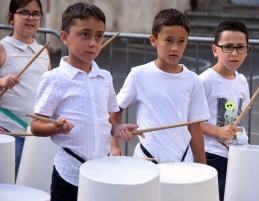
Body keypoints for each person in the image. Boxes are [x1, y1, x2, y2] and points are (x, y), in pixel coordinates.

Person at [30, 3, 142, 201]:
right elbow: (36, 125)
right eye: (85, 34)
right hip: (69, 173)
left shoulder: (105, 77)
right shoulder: (54, 79)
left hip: (102, 170)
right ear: (65, 37)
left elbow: (107, 122)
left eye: (99, 36)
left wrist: (118, 128)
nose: (93, 43)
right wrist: (57, 128)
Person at [111, 8, 210, 164]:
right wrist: (114, 145)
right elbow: (116, 108)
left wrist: (203, 166)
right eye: (169, 40)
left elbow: (194, 127)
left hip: (183, 160)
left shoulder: (193, 80)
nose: (175, 48)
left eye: (181, 41)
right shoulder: (139, 75)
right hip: (147, 158)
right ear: (153, 40)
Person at [199, 20, 250, 201]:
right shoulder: (204, 81)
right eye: (227, 47)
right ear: (215, 50)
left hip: (238, 153)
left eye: (240, 47)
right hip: (213, 155)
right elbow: (189, 121)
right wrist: (218, 131)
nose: (234, 53)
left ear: (247, 50)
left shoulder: (242, 80)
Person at [0, 0, 51, 177]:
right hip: (9, 131)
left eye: (36, 14)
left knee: (32, 187)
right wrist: (1, 81)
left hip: (37, 135)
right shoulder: (2, 47)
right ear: (11, 18)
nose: (30, 18)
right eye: (24, 12)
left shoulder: (43, 51)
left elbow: (50, 90)